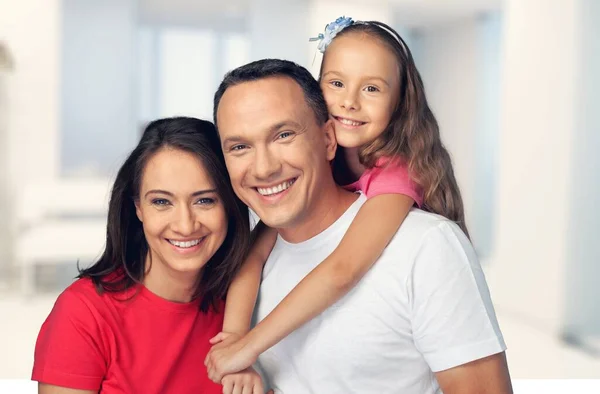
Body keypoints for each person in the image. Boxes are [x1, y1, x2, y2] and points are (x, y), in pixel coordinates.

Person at [205, 16, 501, 391]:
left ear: (326, 138)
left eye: (283, 134)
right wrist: (235, 343)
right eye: (240, 146)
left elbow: (343, 268)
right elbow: (253, 254)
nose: (349, 102)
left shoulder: (414, 219)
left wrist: (248, 344)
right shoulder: (271, 230)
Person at [31, 117, 269, 394]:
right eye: (161, 202)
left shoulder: (245, 302)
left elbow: (285, 220)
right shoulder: (83, 313)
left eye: (204, 200)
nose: (185, 225)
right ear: (138, 208)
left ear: (230, 204)